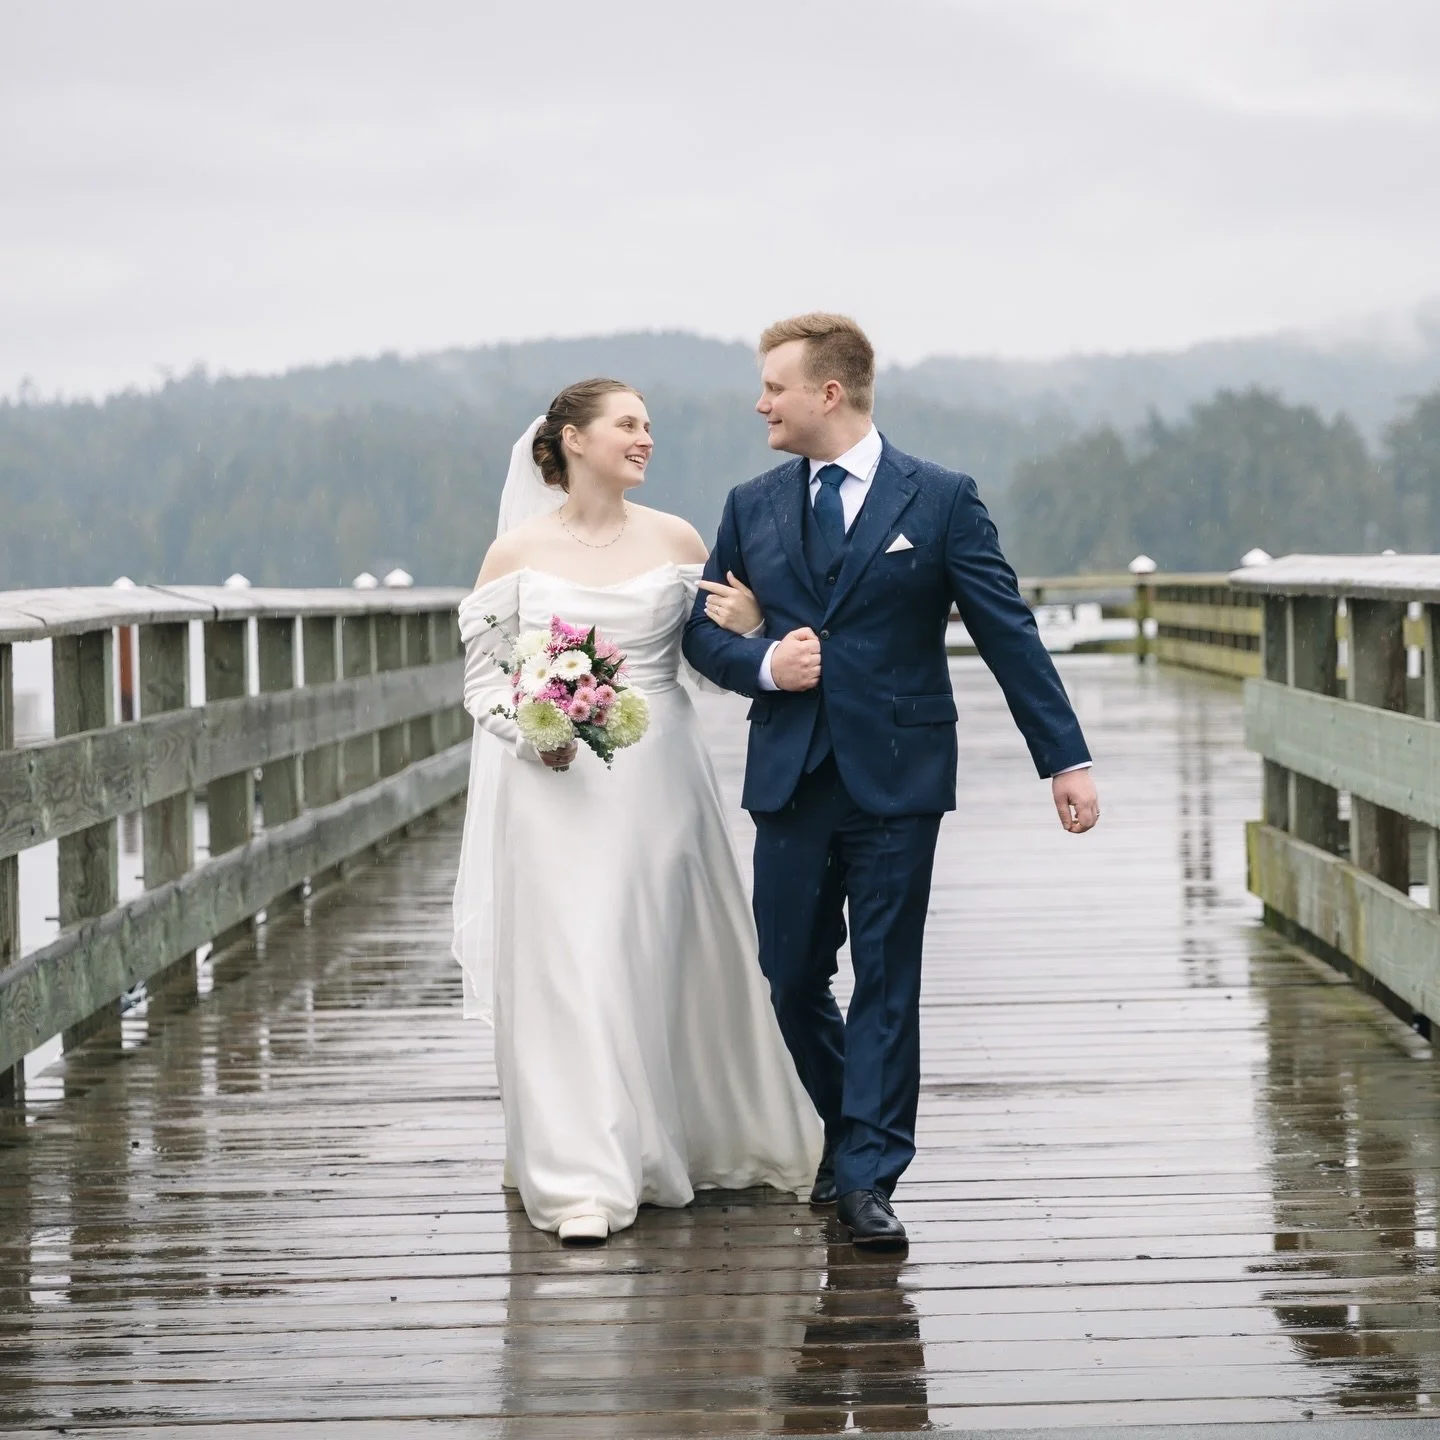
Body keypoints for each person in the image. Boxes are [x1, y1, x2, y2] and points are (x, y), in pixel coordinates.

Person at [683, 313, 1099, 1250]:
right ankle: (846, 1123)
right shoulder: (751, 504)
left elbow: (1007, 631)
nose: (761, 403)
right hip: (791, 772)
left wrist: (1063, 759)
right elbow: (700, 631)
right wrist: (762, 662)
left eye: (774, 387)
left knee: (887, 978)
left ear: (829, 393)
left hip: (901, 773)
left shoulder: (942, 499)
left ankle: (870, 1173)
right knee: (789, 975)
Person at [452, 378, 822, 1244]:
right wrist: (531, 732)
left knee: (659, 954)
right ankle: (582, 1173)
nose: (645, 438)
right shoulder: (516, 553)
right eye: (627, 425)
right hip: (555, 785)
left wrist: (755, 621)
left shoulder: (679, 538)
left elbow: (708, 653)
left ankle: (690, 1138)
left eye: (649, 425)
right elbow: (482, 681)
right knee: (571, 963)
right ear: (573, 440)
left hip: (660, 777)